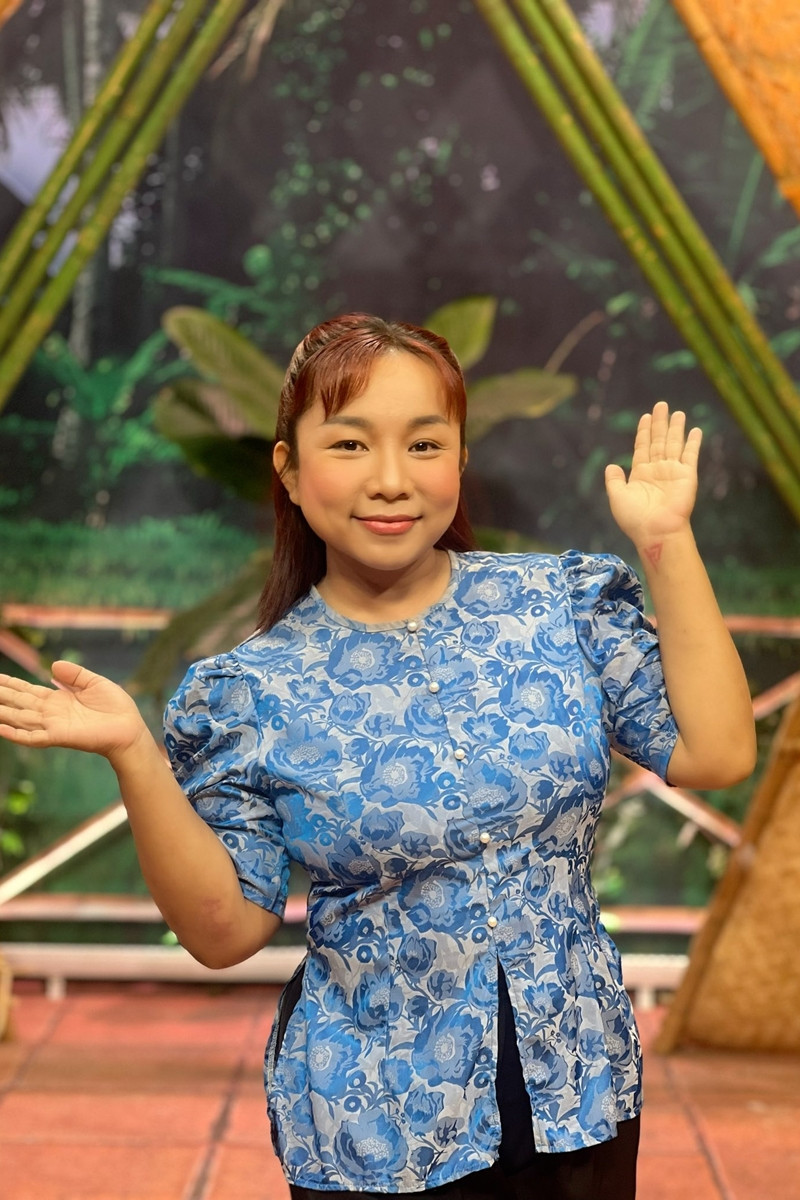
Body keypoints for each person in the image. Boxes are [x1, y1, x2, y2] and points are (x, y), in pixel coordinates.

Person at [0, 313, 755, 1199]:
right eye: (351, 443)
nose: (391, 480)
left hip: (579, 1088)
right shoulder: (248, 692)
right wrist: (134, 751)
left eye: (424, 444)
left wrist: (666, 542)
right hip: (378, 1126)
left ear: (460, 457)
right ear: (289, 469)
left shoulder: (559, 603)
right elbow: (223, 932)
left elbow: (716, 753)